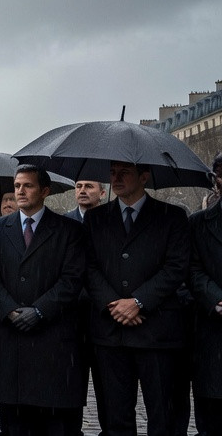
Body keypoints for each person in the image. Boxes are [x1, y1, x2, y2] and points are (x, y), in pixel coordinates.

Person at [82, 161, 190, 436]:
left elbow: (176, 267)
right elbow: (88, 267)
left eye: (124, 173)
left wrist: (139, 301)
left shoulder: (172, 216)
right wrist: (113, 304)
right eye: (112, 173)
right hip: (110, 333)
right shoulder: (95, 218)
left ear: (144, 177)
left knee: (164, 417)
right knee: (115, 419)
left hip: (158, 333)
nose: (116, 178)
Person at [0, 164, 88, 436]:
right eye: (17, 186)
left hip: (54, 341)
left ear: (45, 191)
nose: (20, 191)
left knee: (57, 426)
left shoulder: (69, 230)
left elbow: (72, 279)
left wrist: (40, 310)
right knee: (16, 426)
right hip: (12, 341)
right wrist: (9, 310)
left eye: (28, 186)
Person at [189, 185, 222, 436]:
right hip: (213, 335)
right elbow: (191, 268)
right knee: (212, 421)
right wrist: (216, 298)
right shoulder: (198, 223)